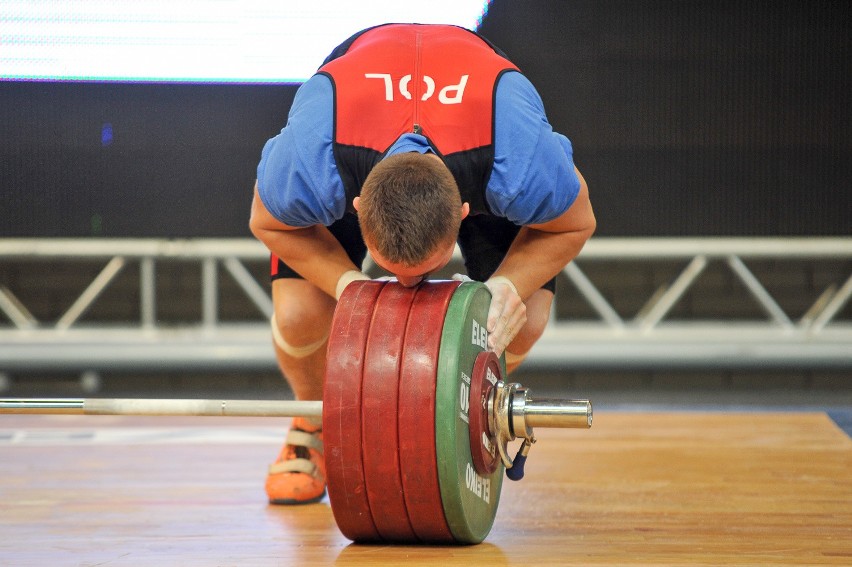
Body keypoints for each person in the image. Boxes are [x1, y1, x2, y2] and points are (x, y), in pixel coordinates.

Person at [249, 23, 595, 505]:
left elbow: (576, 222)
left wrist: (507, 287)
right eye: (395, 270)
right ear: (353, 206)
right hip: (360, 128)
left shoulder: (517, 162)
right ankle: (315, 416)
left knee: (523, 319)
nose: (406, 287)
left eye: (421, 271)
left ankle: (451, 422)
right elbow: (267, 221)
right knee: (299, 314)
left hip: (479, 132)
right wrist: (348, 282)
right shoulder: (315, 159)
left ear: (465, 212)